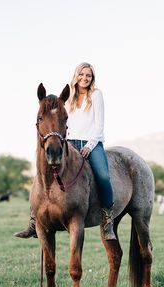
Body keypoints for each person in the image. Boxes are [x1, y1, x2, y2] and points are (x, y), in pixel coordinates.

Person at [15, 62, 116, 240]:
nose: (85, 78)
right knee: (42, 175)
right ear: (76, 76)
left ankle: (107, 219)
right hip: (68, 143)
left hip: (91, 144)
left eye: (89, 76)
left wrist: (89, 146)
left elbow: (99, 125)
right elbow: (59, 122)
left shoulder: (96, 95)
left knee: (102, 176)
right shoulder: (68, 98)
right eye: (82, 74)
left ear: (92, 79)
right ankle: (34, 219)